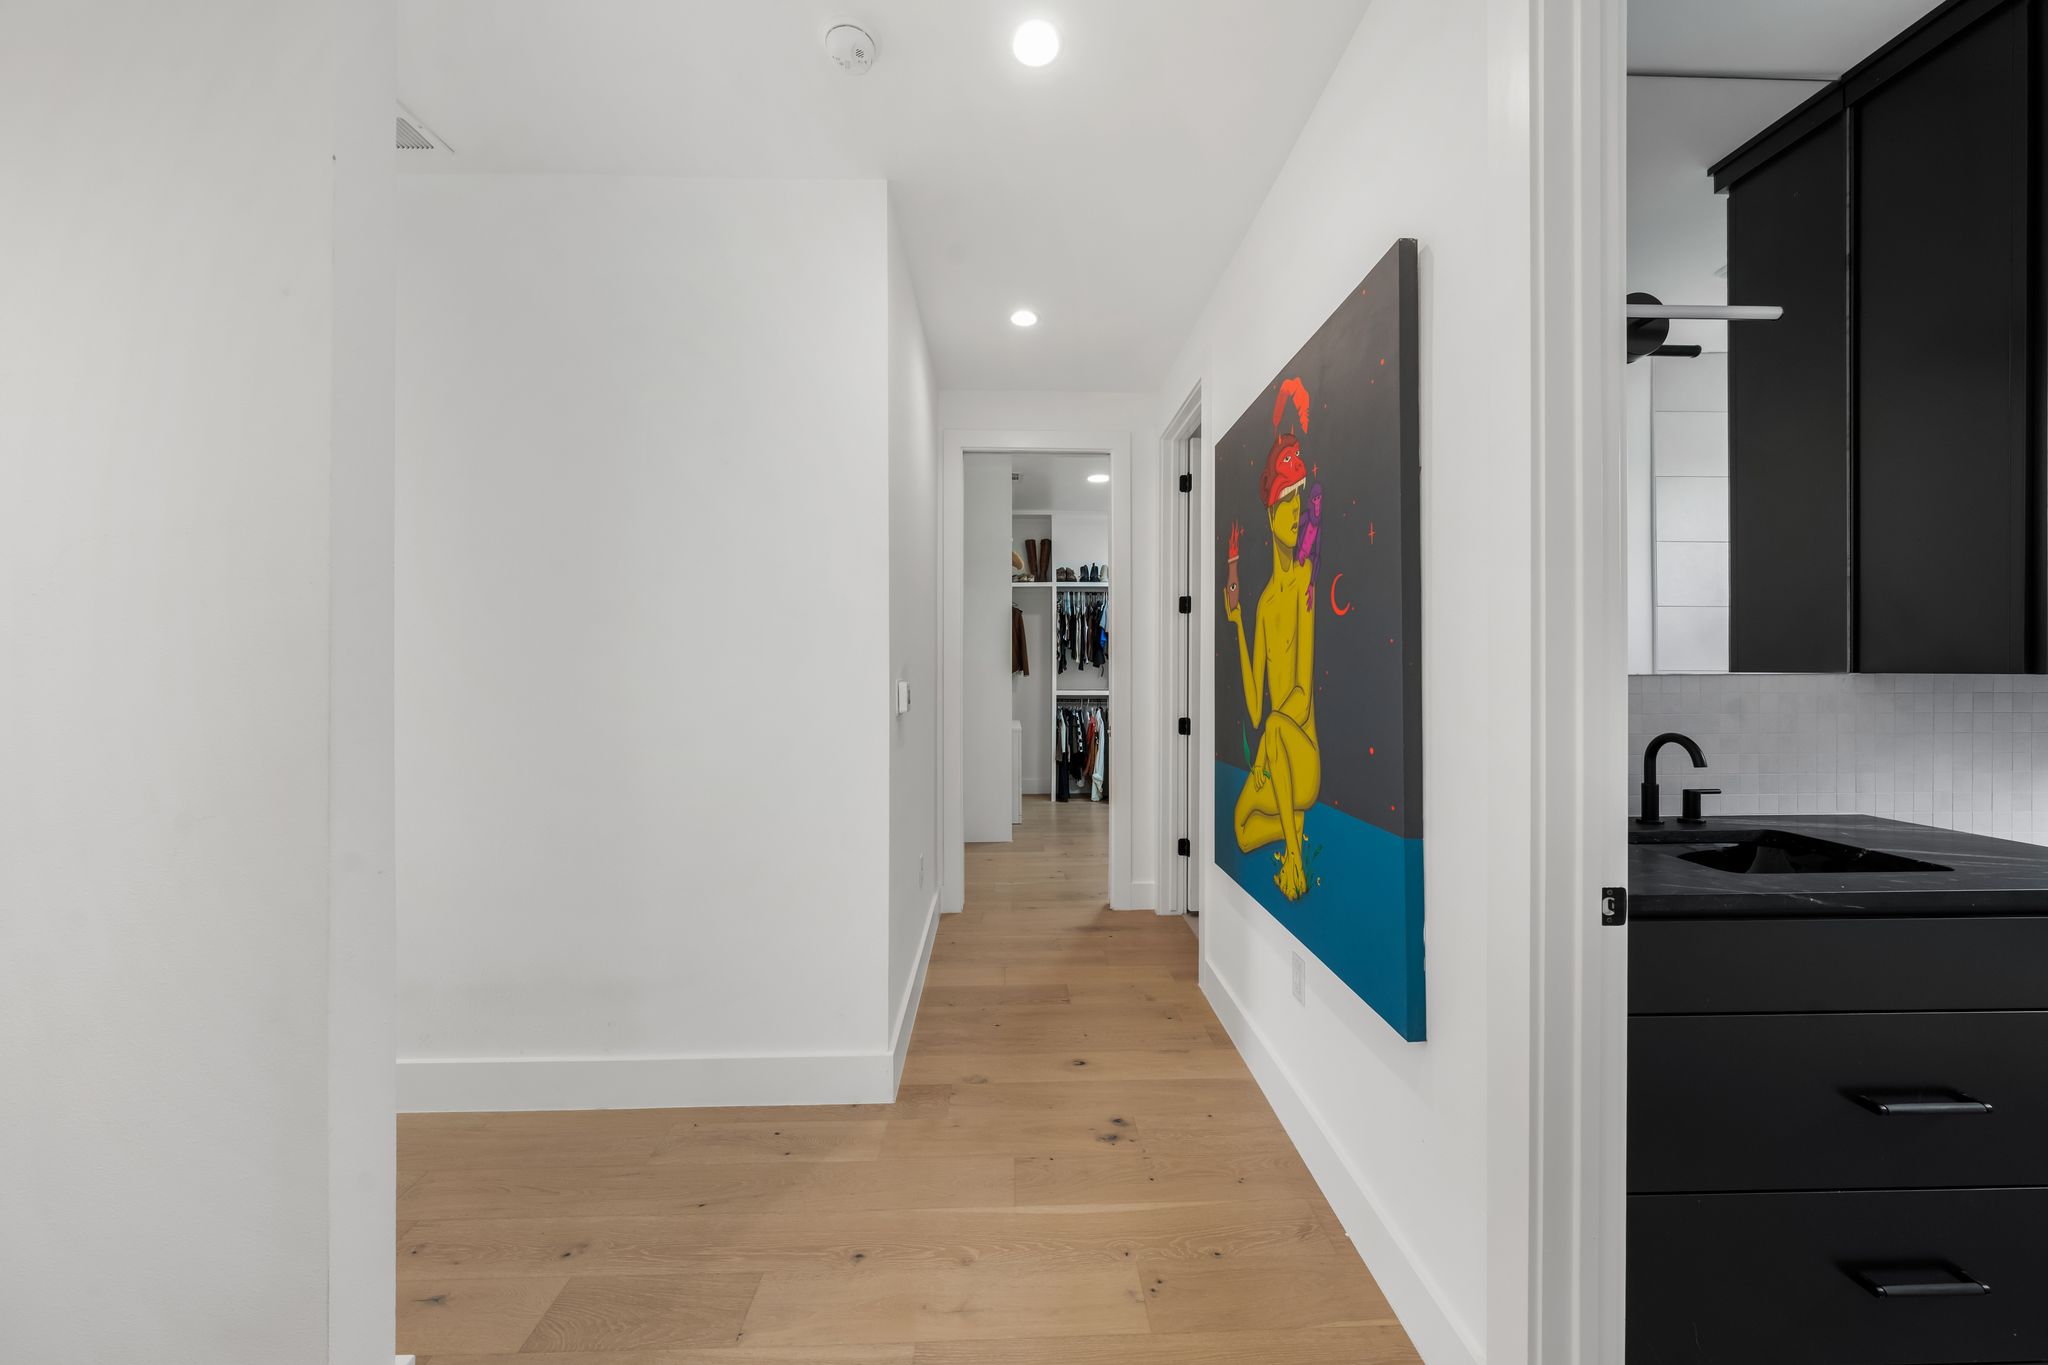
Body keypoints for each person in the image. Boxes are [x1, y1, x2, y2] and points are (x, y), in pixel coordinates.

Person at [1225, 378, 1323, 901]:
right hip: (1274, 747)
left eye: (1299, 499)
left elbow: (1300, 693)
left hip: (1302, 753)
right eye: (1286, 501)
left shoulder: (1304, 582)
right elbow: (1253, 701)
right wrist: (1237, 622)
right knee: (1241, 831)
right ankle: (1292, 828)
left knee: (1282, 726)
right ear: (1270, 512)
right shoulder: (1263, 603)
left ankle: (1296, 860)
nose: (1294, 511)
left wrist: (1281, 726)